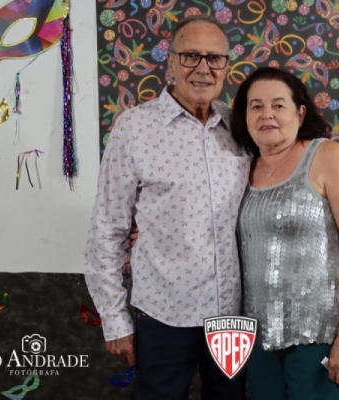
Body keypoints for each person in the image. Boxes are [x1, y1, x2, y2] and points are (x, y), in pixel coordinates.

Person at [84, 15, 251, 400]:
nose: (203, 68)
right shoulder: (134, 128)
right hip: (164, 313)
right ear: (170, 61)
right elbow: (107, 229)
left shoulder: (241, 128)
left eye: (214, 58)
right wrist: (114, 319)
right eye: (191, 56)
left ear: (227, 66)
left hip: (233, 314)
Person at [230, 67, 339, 400]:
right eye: (256, 106)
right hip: (260, 340)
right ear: (245, 117)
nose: (266, 113)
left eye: (278, 105)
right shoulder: (241, 167)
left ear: (299, 113)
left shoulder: (327, 155)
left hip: (320, 337)